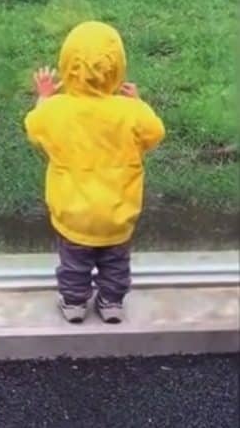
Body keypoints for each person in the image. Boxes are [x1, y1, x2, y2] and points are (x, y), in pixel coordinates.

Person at [24, 21, 165, 324]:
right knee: (116, 263)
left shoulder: (58, 109)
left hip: (74, 212)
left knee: (74, 263)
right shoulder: (131, 112)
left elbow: (35, 127)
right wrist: (138, 103)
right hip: (118, 213)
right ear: (118, 69)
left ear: (67, 66)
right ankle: (112, 303)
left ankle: (74, 304)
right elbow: (155, 133)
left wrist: (45, 96)